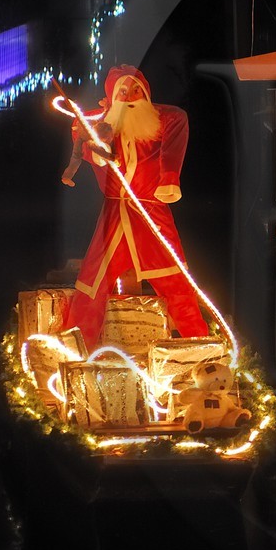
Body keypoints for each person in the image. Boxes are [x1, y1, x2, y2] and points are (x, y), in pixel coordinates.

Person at [60, 65, 210, 344]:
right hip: (115, 215)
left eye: (137, 89)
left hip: (153, 213)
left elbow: (178, 120)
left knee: (177, 282)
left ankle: (199, 346)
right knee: (92, 283)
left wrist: (169, 179)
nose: (131, 95)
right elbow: (80, 132)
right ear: (112, 96)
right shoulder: (100, 125)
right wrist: (96, 145)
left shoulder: (162, 119)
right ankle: (76, 346)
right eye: (124, 91)